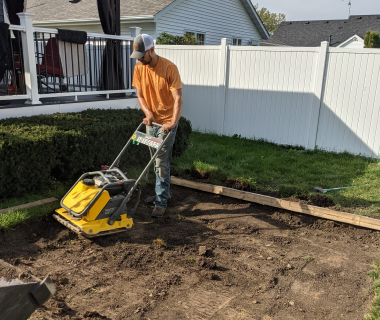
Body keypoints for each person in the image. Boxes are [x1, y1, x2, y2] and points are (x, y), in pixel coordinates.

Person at [131, 34, 183, 218]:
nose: (140, 59)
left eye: (142, 55)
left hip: (166, 124)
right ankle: (164, 193)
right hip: (151, 122)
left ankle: (160, 203)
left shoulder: (169, 68)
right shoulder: (139, 67)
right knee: (155, 162)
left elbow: (178, 98)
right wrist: (148, 114)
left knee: (161, 164)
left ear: (151, 50)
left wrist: (172, 122)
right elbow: (140, 96)